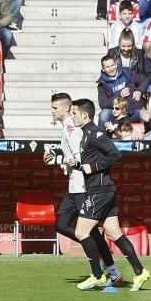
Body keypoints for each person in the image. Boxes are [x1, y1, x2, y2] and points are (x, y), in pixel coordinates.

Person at [70, 99, 151, 292]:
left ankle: (97, 275)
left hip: (100, 191)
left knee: (81, 232)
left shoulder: (95, 133)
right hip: (102, 189)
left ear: (84, 114)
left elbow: (115, 155)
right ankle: (140, 272)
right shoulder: (86, 133)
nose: (72, 116)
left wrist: (94, 167)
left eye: (74, 113)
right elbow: (92, 162)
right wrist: (79, 165)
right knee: (114, 233)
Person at [48, 94, 123, 284]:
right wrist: (59, 159)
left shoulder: (72, 129)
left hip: (83, 186)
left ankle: (106, 271)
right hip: (74, 186)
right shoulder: (67, 128)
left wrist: (58, 159)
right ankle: (104, 264)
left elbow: (79, 158)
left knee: (90, 233)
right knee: (62, 225)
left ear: (66, 109)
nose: (52, 111)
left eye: (55, 108)